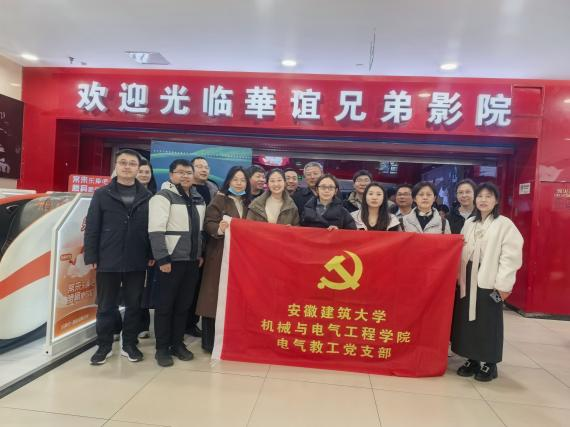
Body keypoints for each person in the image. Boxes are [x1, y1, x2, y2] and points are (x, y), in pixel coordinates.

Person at [84, 149, 153, 365]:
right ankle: (104, 346)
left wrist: (151, 253)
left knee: (134, 305)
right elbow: (92, 227)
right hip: (108, 257)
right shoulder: (102, 194)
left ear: (138, 168)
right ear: (116, 166)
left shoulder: (147, 196)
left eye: (132, 163)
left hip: (137, 258)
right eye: (123, 162)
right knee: (106, 306)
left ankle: (129, 344)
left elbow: (152, 229)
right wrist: (91, 255)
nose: (127, 167)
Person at [451, 182, 523, 382]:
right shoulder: (470, 223)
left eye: (488, 196)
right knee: (467, 320)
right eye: (480, 196)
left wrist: (503, 284)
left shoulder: (504, 224)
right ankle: (472, 358)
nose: (483, 200)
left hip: (489, 280)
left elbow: (511, 257)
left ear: (496, 200)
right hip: (467, 278)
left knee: (488, 321)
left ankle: (490, 363)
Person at [148, 159, 206, 367]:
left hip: (192, 261)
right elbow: (155, 230)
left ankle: (177, 343)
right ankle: (162, 348)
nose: (185, 176)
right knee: (165, 306)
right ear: (171, 175)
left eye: (188, 172)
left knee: (183, 306)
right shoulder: (163, 197)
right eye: (180, 172)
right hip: (171, 261)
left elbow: (199, 231)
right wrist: (162, 258)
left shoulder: (198, 198)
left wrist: (200, 253)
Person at [196, 166, 250, 353]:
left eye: (242, 180)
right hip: (219, 253)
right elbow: (208, 223)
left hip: (240, 257)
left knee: (233, 296)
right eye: (235, 179)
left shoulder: (248, 202)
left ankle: (230, 337)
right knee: (213, 296)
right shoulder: (219, 199)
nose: (239, 183)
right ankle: (209, 341)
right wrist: (219, 228)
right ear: (228, 181)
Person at [136, 159, 158, 339]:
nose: (144, 175)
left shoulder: (155, 197)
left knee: (143, 288)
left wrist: (152, 252)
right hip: (126, 249)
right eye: (141, 171)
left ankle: (142, 325)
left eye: (147, 172)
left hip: (147, 249)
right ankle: (117, 327)